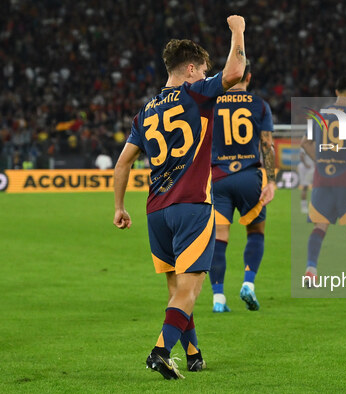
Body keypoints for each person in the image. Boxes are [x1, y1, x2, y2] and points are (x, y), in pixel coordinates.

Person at [112, 15, 246, 379]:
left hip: (157, 211)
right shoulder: (196, 93)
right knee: (190, 291)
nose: (205, 75)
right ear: (190, 69)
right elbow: (234, 72)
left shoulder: (146, 110)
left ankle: (194, 353)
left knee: (178, 291)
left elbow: (123, 164)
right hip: (191, 206)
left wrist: (120, 207)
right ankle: (159, 351)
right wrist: (238, 31)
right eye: (202, 69)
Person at [208, 59, 276, 313]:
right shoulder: (260, 105)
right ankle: (248, 283)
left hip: (219, 178)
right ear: (249, 77)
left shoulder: (211, 105)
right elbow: (267, 145)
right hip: (250, 176)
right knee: (256, 232)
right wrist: (272, 181)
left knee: (219, 237)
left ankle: (218, 298)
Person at [301, 76, 346, 286]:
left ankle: (311, 270)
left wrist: (322, 160)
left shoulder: (319, 115)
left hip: (323, 178)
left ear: (336, 92)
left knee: (320, 225)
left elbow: (306, 143)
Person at [297, 147, 314, 213]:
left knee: (315, 187)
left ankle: (314, 206)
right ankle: (304, 207)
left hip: (312, 168)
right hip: (306, 168)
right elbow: (301, 155)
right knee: (305, 187)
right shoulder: (305, 145)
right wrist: (306, 164)